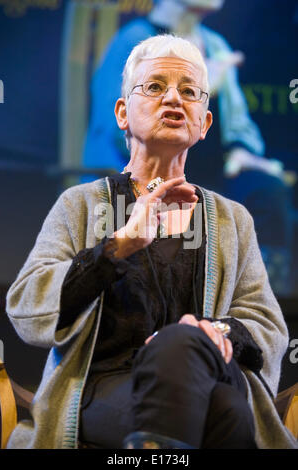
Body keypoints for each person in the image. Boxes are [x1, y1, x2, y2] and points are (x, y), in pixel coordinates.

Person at [6, 35, 297, 449]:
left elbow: (267, 327)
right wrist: (119, 245)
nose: (173, 98)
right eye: (156, 86)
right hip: (109, 386)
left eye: (190, 91)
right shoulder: (81, 205)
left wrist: (211, 333)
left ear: (205, 123)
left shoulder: (233, 219)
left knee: (189, 349)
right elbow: (27, 308)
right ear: (123, 114)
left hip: (214, 377)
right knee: (228, 413)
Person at [81, 0, 296, 295]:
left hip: (212, 178)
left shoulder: (215, 44)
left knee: (266, 191)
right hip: (149, 177)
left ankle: (260, 308)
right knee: (179, 206)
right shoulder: (136, 41)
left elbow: (238, 126)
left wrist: (239, 150)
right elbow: (120, 129)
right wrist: (196, 95)